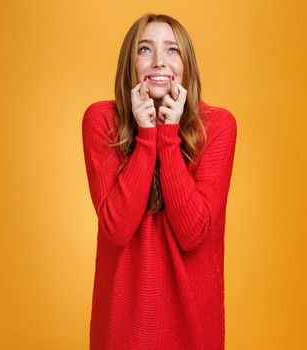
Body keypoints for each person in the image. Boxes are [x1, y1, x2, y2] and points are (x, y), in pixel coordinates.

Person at [81, 13, 238, 350]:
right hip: (122, 334)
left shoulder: (219, 126)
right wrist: (146, 135)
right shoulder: (100, 120)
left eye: (171, 51)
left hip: (193, 333)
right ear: (130, 63)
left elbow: (192, 232)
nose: (158, 61)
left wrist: (168, 135)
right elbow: (117, 227)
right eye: (145, 49)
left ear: (186, 65)